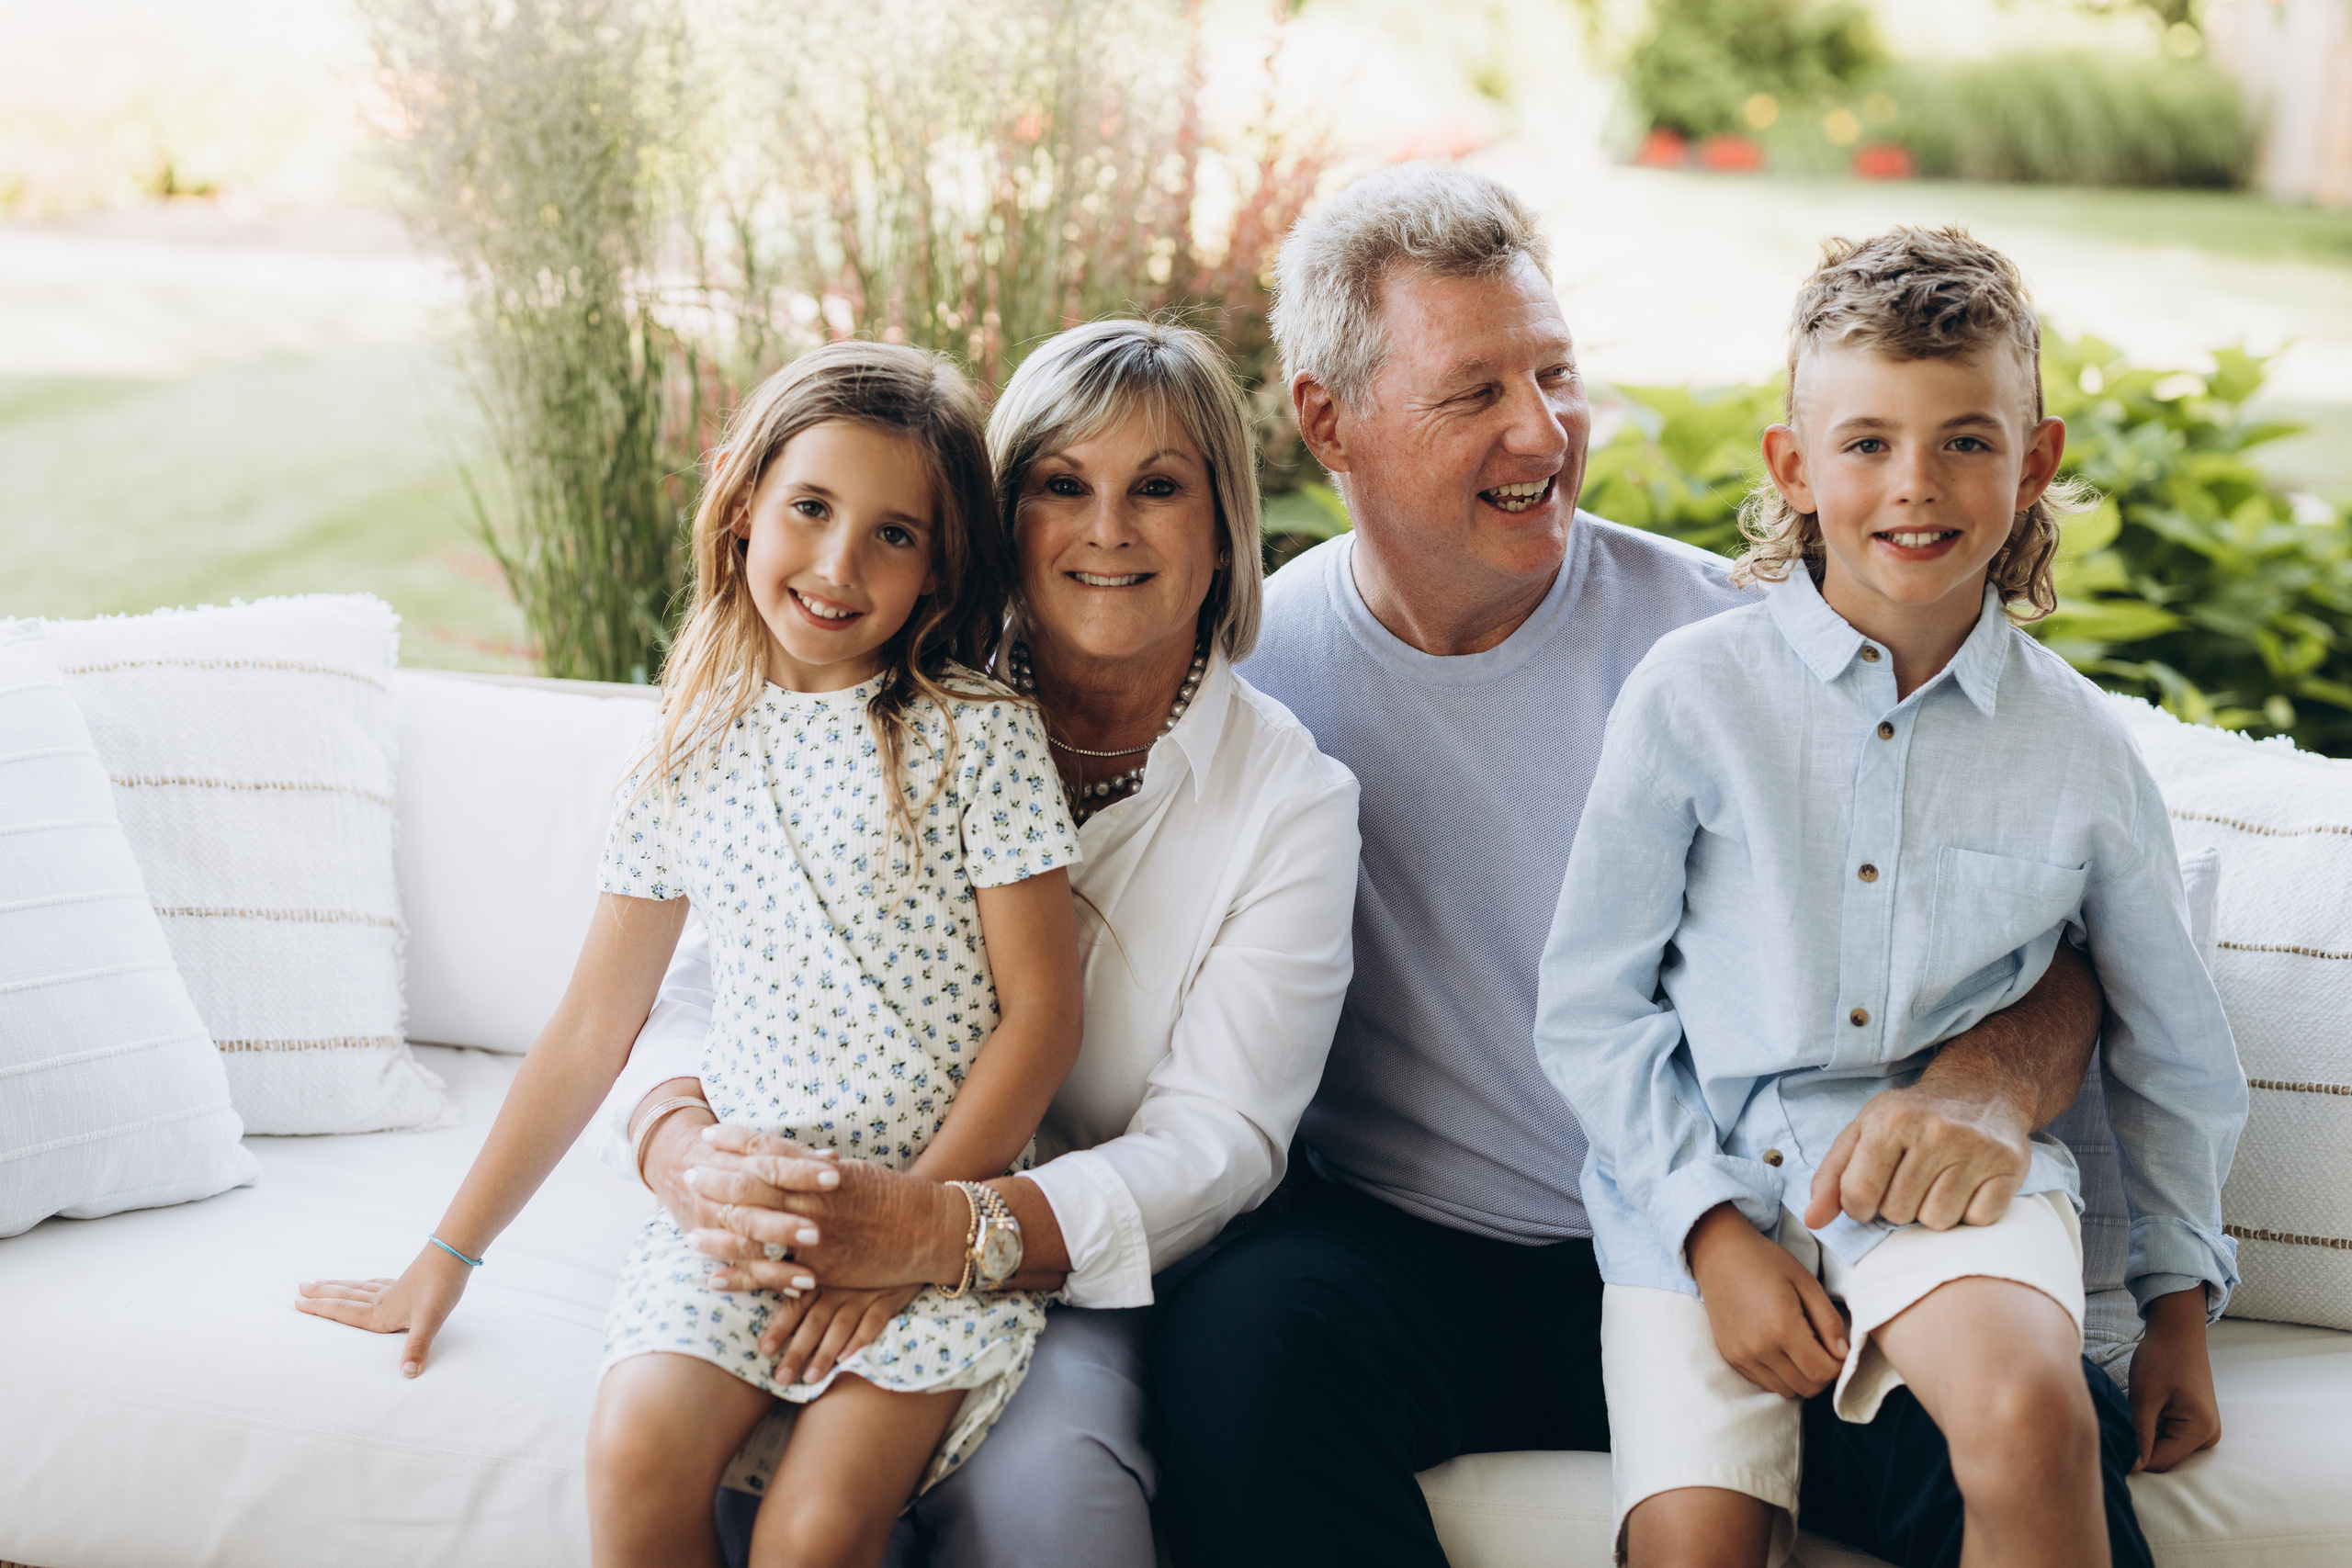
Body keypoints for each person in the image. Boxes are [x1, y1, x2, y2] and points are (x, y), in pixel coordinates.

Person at [1151, 164, 2133, 1568]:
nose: (1540, 430)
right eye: (1473, 392)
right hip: (1420, 1249)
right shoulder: (1253, 677)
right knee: (1239, 1351)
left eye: (1556, 374)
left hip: (1770, 1230)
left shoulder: (1732, 650)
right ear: (1329, 423)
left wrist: (1991, 1077)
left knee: (2048, 1450)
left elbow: (2070, 928)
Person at [295, 340, 1090, 1568]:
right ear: (743, 506)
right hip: (734, 1227)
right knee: (634, 1456)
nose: (837, 565)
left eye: (893, 534)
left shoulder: (977, 740)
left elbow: (1045, 1016)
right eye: (811, 509)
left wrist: (915, 1231)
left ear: (940, 567)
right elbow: (590, 1028)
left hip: (928, 1226)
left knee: (813, 1533)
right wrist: (445, 1258)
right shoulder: (686, 748)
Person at [1534, 227, 2246, 1568]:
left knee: (2037, 1423)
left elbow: (2173, 1042)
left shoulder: (2081, 748)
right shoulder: (1693, 699)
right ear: (1793, 467)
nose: (1915, 487)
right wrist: (1707, 1235)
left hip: (1951, 1192)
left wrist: (2179, 1304)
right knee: (1695, 1547)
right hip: (1710, 1200)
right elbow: (1587, 1008)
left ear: (2032, 462)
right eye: (1866, 444)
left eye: (1966, 442)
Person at [598, 317, 1362, 1567]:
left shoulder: (1290, 805)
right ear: (998, 525)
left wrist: (941, 1233)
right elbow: (696, 986)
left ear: (1224, 530)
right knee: (688, 1450)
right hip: (815, 1201)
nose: (1108, 529)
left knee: (1044, 1502)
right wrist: (679, 1147)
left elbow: (1221, 1141)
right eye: (1063, 487)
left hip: (1069, 1256)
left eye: (1158, 489)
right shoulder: (871, 690)